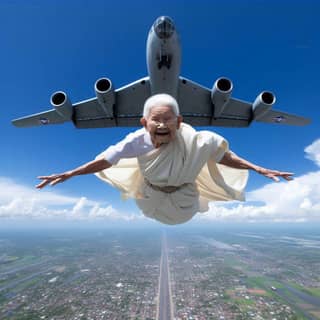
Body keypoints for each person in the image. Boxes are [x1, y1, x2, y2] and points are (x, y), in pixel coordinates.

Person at [36, 94, 293, 224]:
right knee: (151, 208)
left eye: (168, 119)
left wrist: (259, 169)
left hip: (186, 198)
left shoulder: (197, 140)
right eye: (155, 120)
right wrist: (69, 173)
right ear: (144, 122)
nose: (161, 124)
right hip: (151, 197)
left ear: (179, 122)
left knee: (188, 209)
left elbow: (224, 156)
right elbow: (105, 160)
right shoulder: (135, 141)